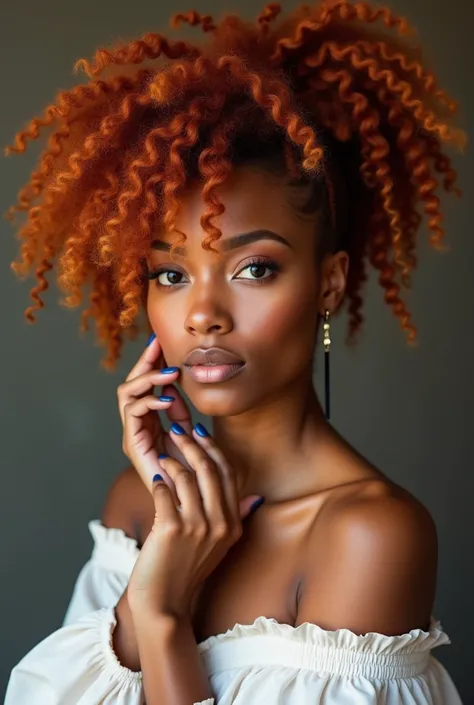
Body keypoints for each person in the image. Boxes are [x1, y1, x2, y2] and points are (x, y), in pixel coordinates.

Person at [3, 0, 466, 703]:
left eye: (255, 268)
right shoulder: (138, 503)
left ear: (329, 283)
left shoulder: (369, 535)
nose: (203, 315)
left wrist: (161, 620)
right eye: (171, 273)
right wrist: (158, 570)